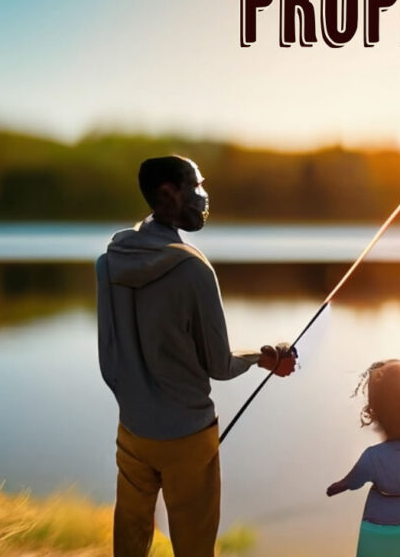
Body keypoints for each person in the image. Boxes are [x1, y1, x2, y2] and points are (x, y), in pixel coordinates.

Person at [96, 155, 296, 557]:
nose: (205, 197)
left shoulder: (108, 262)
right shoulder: (194, 271)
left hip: (132, 431)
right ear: (169, 194)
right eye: (197, 186)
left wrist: (138, 402)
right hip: (188, 437)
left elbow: (109, 359)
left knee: (130, 541)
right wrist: (263, 357)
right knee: (195, 546)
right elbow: (219, 366)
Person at [326, 360, 400, 557]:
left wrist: (336, 487)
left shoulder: (373, 457)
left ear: (375, 412)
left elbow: (352, 482)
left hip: (378, 528)